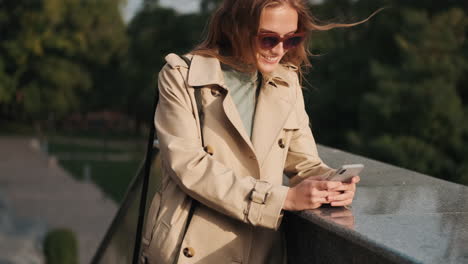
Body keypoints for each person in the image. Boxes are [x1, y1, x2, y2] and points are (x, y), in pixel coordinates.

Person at [141, 0, 373, 263]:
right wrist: (282, 199)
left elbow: (303, 162)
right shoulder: (181, 77)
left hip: (259, 250)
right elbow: (188, 166)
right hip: (191, 248)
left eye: (292, 40)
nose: (279, 49)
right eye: (268, 39)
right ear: (234, 28)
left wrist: (330, 183)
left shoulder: (287, 82)